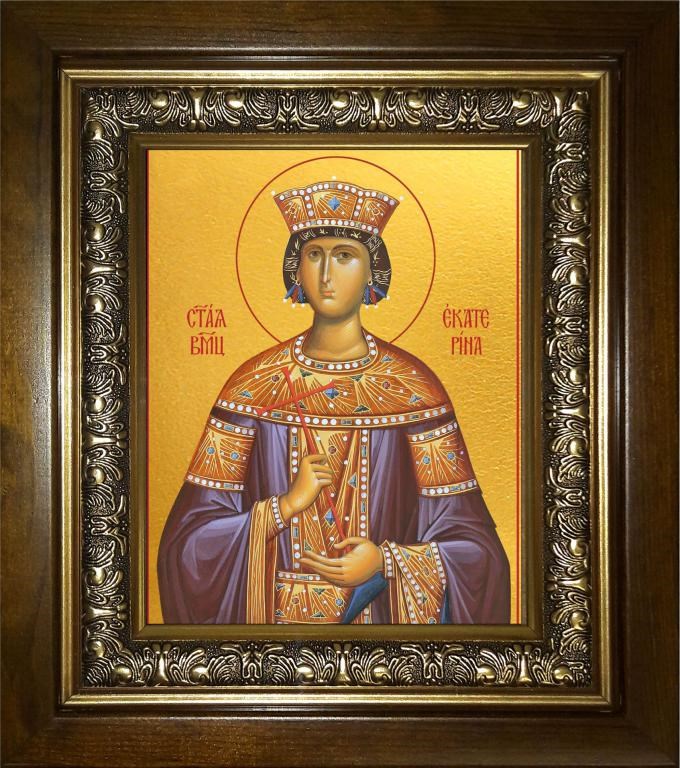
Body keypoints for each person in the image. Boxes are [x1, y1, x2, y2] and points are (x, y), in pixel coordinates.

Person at [158, 179, 510, 625]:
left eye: (344, 256)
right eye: (314, 255)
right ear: (296, 271)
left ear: (372, 272)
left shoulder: (414, 389)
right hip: (271, 637)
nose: (326, 274)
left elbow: (476, 550)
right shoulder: (251, 387)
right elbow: (188, 545)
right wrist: (284, 507)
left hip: (380, 635)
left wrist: (385, 561)